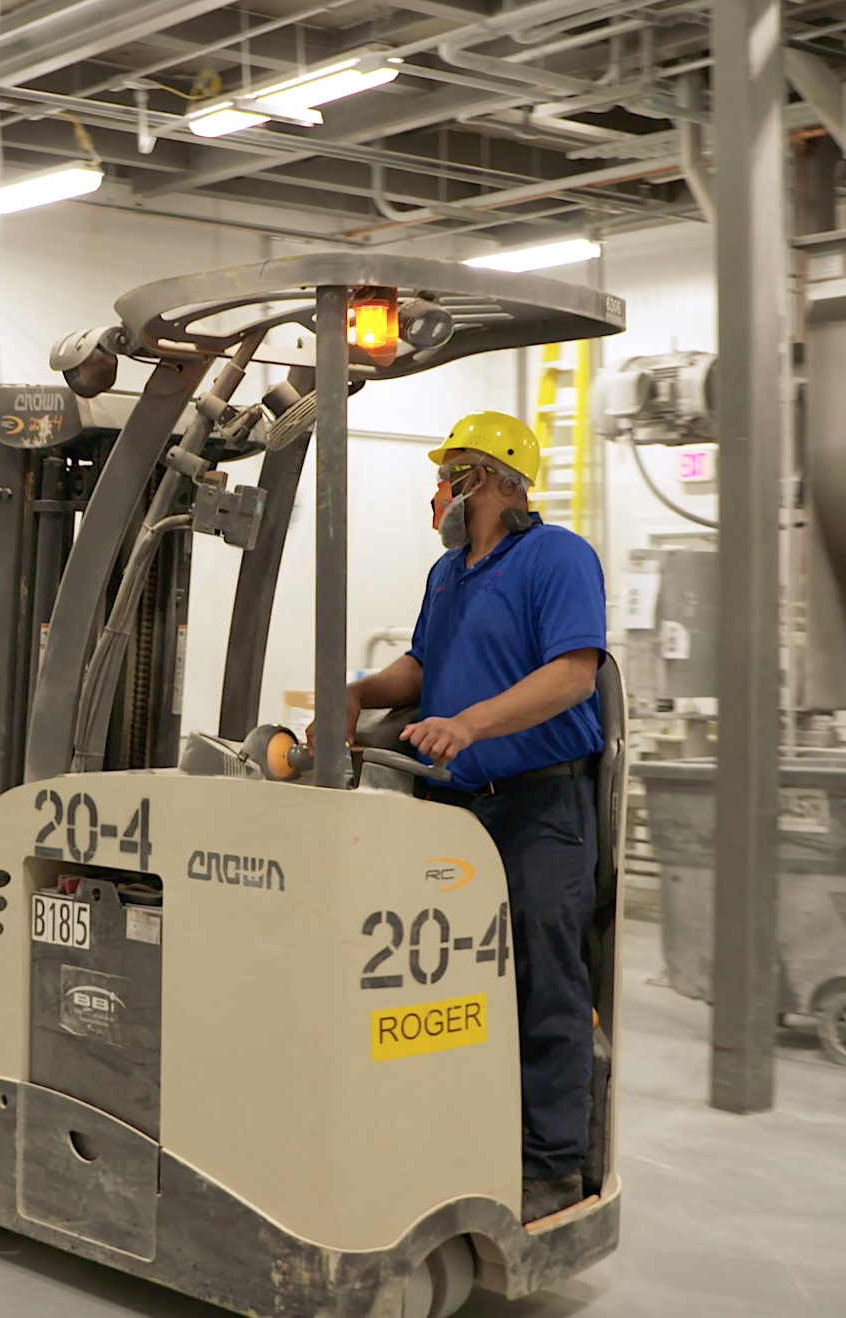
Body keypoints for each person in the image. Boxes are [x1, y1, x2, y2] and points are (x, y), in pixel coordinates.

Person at [316, 409, 605, 1225]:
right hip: (450, 811)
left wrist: (471, 723)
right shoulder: (450, 576)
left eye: (442, 477)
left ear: (478, 480)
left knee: (544, 982)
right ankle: (457, 1135)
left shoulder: (557, 558)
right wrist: (360, 691)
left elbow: (574, 676)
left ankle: (551, 1165)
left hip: (539, 806)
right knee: (447, 987)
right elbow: (423, 664)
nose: (433, 494)